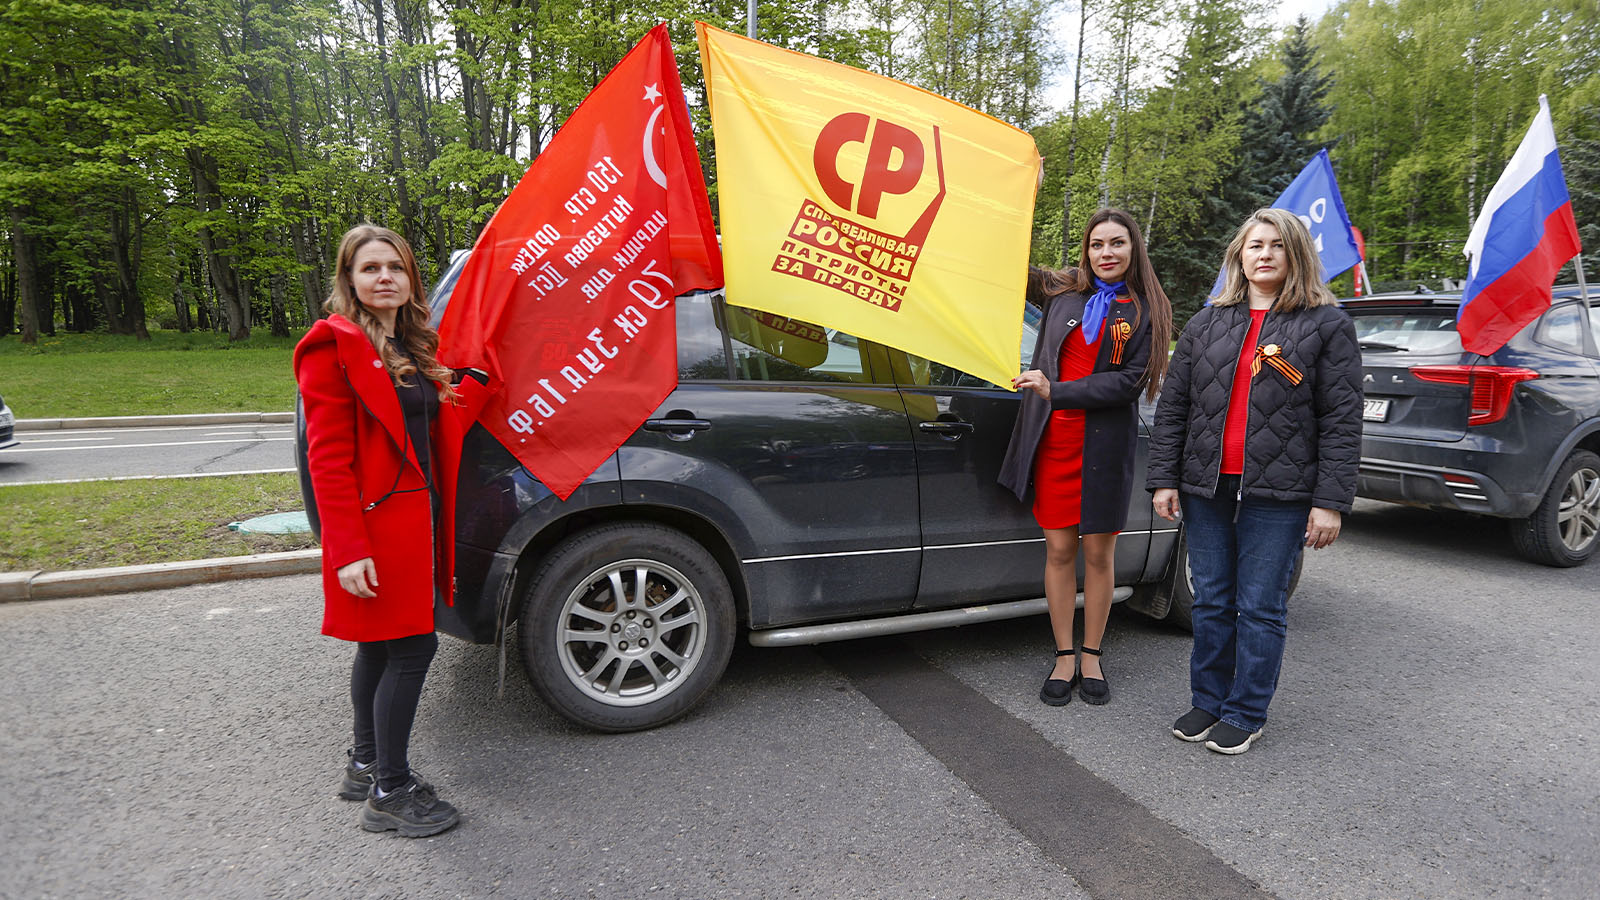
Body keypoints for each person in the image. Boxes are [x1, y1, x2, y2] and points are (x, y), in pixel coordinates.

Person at [294, 224, 495, 835]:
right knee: (413, 648)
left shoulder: (408, 345)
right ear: (349, 279)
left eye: (396, 268)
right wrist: (347, 549)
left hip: (414, 521)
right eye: (370, 268)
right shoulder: (332, 345)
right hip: (377, 528)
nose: (385, 277)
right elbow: (327, 459)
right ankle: (391, 789)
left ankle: (364, 764)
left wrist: (479, 382)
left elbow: (427, 426)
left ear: (410, 279)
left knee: (379, 647)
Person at [1148, 207, 1362, 755]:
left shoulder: (1326, 325)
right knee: (1211, 599)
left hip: (1281, 491)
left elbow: (1341, 420)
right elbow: (1174, 408)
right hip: (1207, 486)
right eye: (1254, 245)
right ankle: (1208, 701)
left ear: (1296, 254)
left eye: (1277, 245)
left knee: (1261, 604)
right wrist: (1165, 479)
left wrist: (1330, 502)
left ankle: (1245, 711)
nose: (1264, 254)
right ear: (1238, 256)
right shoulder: (1207, 322)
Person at [999, 208, 1172, 707]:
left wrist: (1057, 390)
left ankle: (1092, 654)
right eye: (1097, 244)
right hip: (1053, 441)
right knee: (1058, 551)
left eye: (1117, 243)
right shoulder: (1062, 288)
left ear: (1133, 248)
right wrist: (1024, 198)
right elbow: (1008, 266)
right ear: (1086, 249)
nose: (1106, 253)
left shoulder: (1147, 309)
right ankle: (1063, 655)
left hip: (1105, 445)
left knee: (1098, 554)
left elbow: (1129, 383)